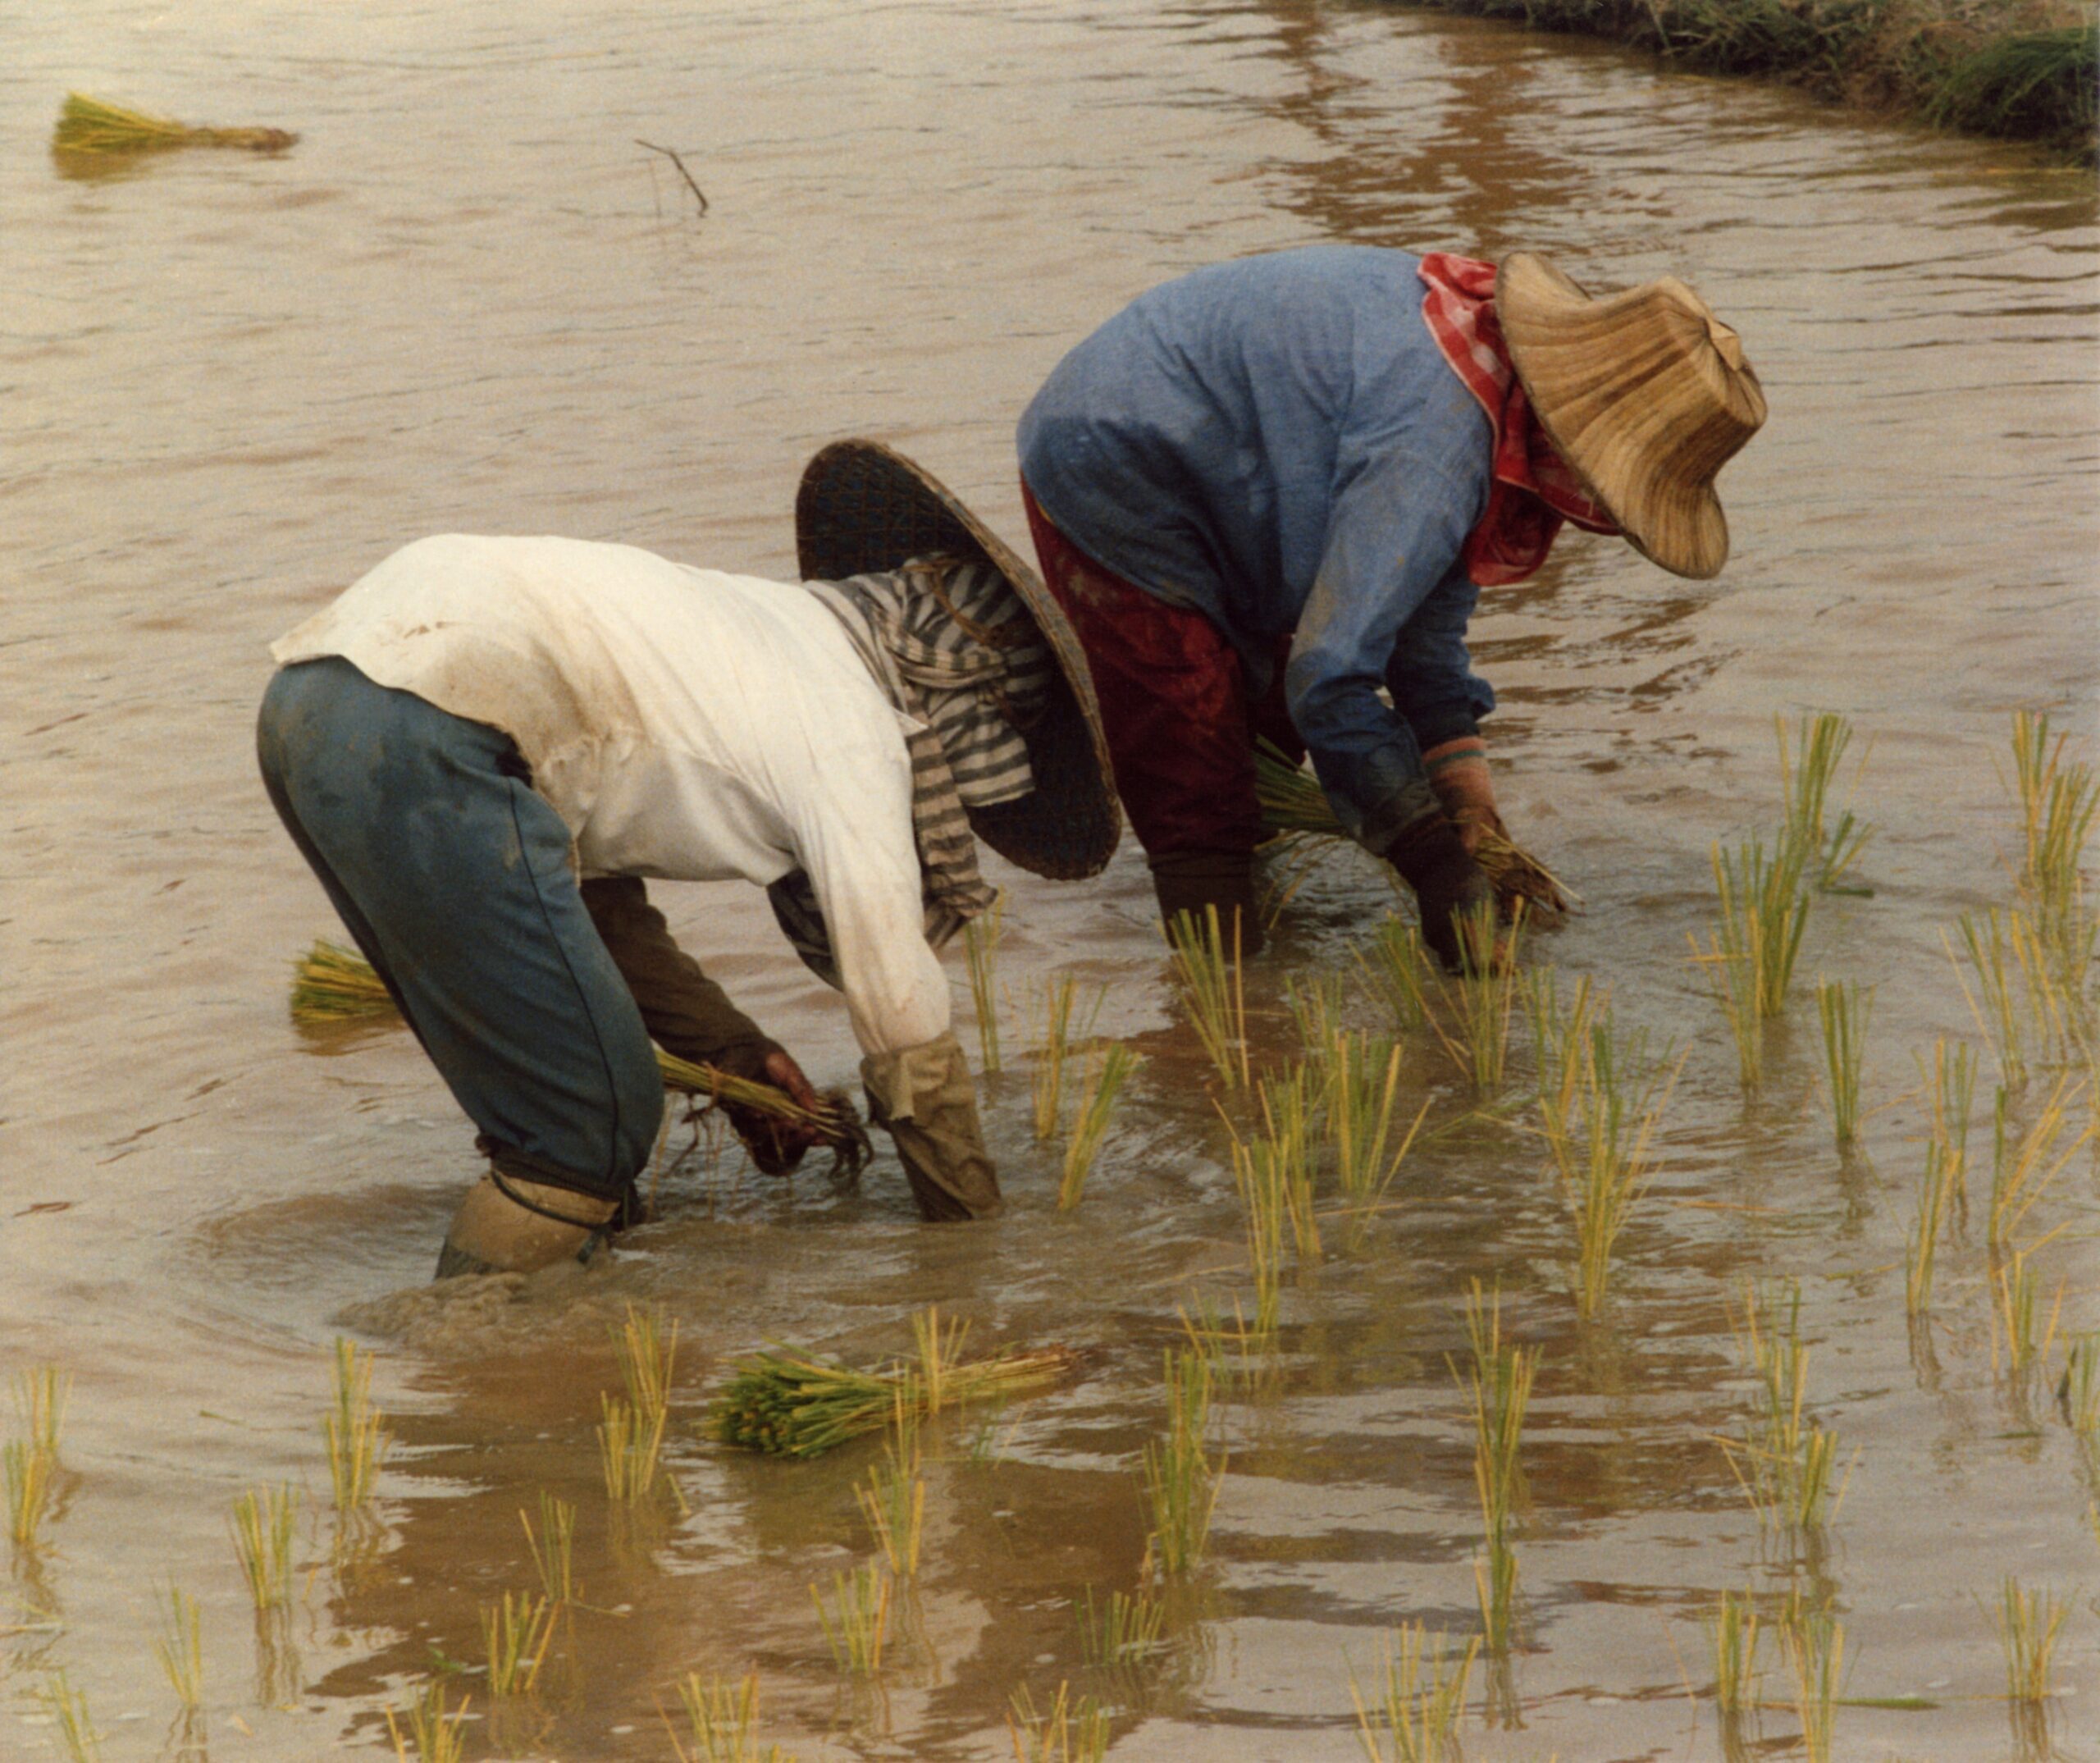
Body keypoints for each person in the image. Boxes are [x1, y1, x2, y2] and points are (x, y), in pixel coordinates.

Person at [257, 441, 1118, 1277]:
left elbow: (586, 909)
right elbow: (899, 1005)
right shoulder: (855, 730)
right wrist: (974, 1242)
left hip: (311, 701)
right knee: (589, 1124)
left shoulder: (751, 628)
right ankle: (459, 1348)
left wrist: (736, 1054)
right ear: (959, 701)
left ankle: (540, 1375)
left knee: (556, 1081)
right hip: (428, 723)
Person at [1016, 245, 1767, 964]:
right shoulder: (1435, 443)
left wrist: (1469, 803)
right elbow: (1333, 675)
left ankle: (1266, 954)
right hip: (1111, 446)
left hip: (1219, 450)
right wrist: (1433, 865)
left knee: (1267, 732)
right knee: (1193, 752)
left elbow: (1421, 622)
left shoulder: (1491, 387)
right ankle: (1223, 1007)